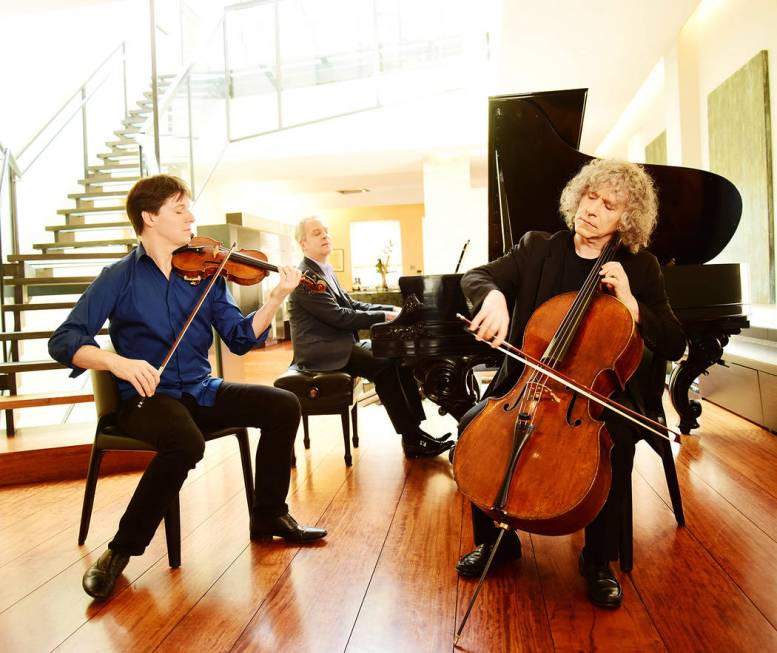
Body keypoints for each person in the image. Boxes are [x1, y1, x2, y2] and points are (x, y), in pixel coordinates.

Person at [49, 175, 326, 601]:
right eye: (179, 209)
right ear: (149, 217)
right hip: (145, 400)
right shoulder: (118, 277)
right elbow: (64, 340)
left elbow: (239, 337)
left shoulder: (206, 274)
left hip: (201, 390)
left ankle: (269, 516)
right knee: (184, 442)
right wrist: (116, 362)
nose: (191, 217)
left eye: (189, 208)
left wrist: (274, 299)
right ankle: (121, 550)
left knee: (283, 406)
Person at [454, 159, 686, 609]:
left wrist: (632, 305)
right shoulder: (538, 248)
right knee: (474, 424)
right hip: (528, 382)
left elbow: (674, 342)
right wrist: (495, 297)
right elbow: (477, 277)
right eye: (590, 196)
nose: (593, 209)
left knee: (613, 442)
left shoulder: (640, 267)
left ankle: (598, 559)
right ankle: (497, 543)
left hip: (598, 397)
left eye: (609, 205)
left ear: (627, 219)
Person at [287, 216, 453, 459]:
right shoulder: (305, 278)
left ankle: (415, 431)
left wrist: (390, 311)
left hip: (338, 344)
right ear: (303, 244)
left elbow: (351, 304)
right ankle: (412, 438)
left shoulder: (323, 271)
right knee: (383, 366)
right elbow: (340, 317)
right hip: (321, 351)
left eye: (326, 231)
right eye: (316, 233)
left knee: (397, 355)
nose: (325, 236)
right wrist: (385, 316)